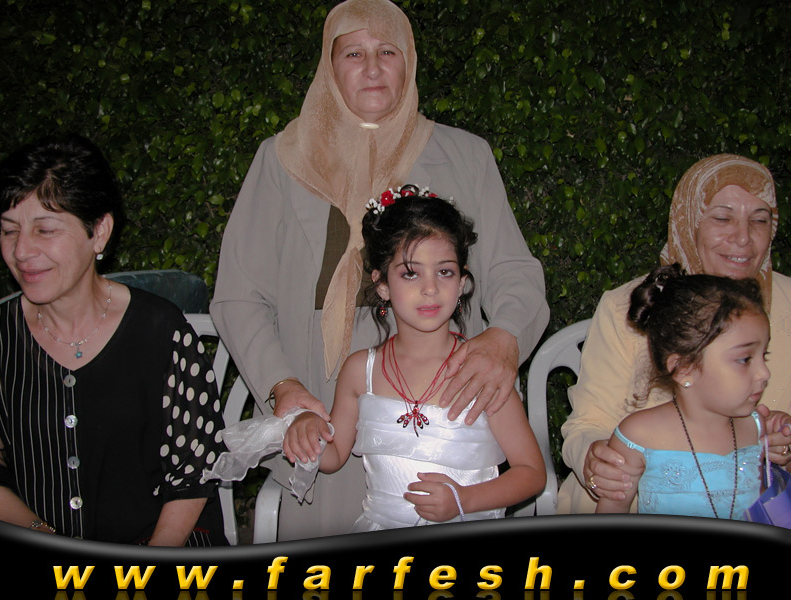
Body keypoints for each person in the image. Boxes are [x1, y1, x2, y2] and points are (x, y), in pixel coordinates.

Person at [210, 0, 549, 539]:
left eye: (387, 51)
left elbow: (514, 271)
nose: (371, 68)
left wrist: (504, 338)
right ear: (328, 66)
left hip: (440, 386)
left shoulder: (466, 155)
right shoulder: (279, 161)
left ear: (408, 62)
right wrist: (282, 386)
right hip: (318, 385)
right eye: (353, 53)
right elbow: (239, 294)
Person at [0, 133, 228, 546]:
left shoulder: (161, 331)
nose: (22, 251)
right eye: (9, 231)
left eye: (45, 230)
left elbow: (194, 474)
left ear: (99, 232)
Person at [280, 187, 546, 530]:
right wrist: (307, 431)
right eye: (410, 273)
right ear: (382, 285)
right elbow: (333, 456)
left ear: (462, 282)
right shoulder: (361, 371)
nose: (430, 288)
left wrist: (463, 500)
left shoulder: (482, 372)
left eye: (445, 272)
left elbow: (531, 473)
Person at [559, 154, 791, 514]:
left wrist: (783, 447)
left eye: (760, 220)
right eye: (723, 218)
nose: (744, 238)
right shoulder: (628, 305)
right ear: (689, 221)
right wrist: (600, 463)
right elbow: (588, 423)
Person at [595, 264, 790, 518]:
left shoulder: (757, 428)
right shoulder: (638, 436)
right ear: (684, 369)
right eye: (745, 359)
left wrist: (781, 449)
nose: (764, 373)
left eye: (764, 355)